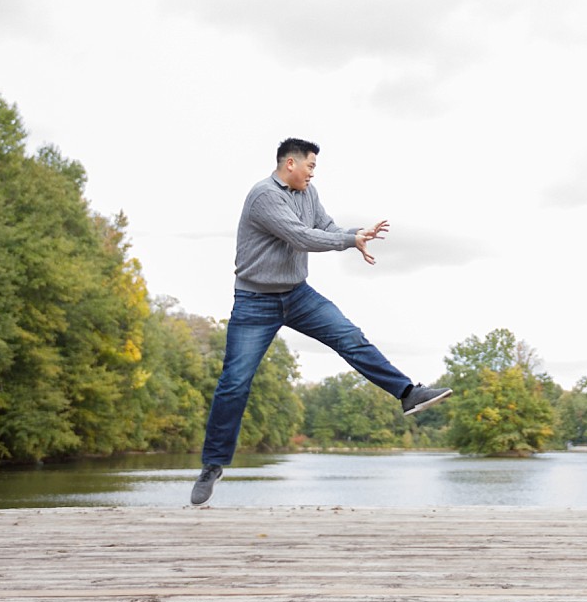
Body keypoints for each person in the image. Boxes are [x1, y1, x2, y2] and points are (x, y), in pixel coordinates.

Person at [191, 137, 452, 505]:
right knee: (234, 383)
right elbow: (300, 237)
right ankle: (212, 466)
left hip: (297, 294)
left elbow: (324, 225)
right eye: (310, 166)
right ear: (290, 164)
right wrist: (345, 241)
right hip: (254, 300)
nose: (314, 173)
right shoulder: (265, 196)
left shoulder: (307, 194)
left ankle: (408, 394)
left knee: (350, 336)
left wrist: (352, 235)